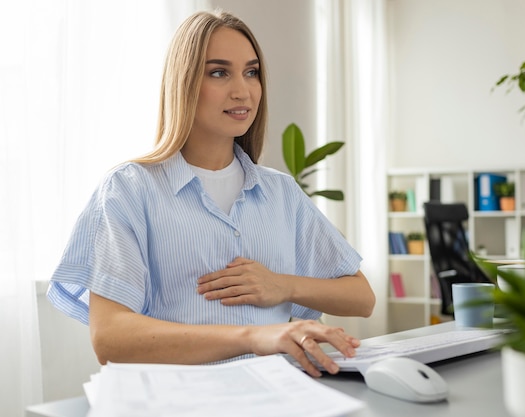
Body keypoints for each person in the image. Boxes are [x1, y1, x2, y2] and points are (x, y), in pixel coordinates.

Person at [47, 10, 375, 378]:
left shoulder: (281, 192)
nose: (242, 90)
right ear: (184, 83)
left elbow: (362, 298)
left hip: (282, 395)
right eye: (219, 72)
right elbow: (109, 339)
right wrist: (253, 336)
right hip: (181, 400)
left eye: (251, 72)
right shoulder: (129, 190)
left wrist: (282, 286)